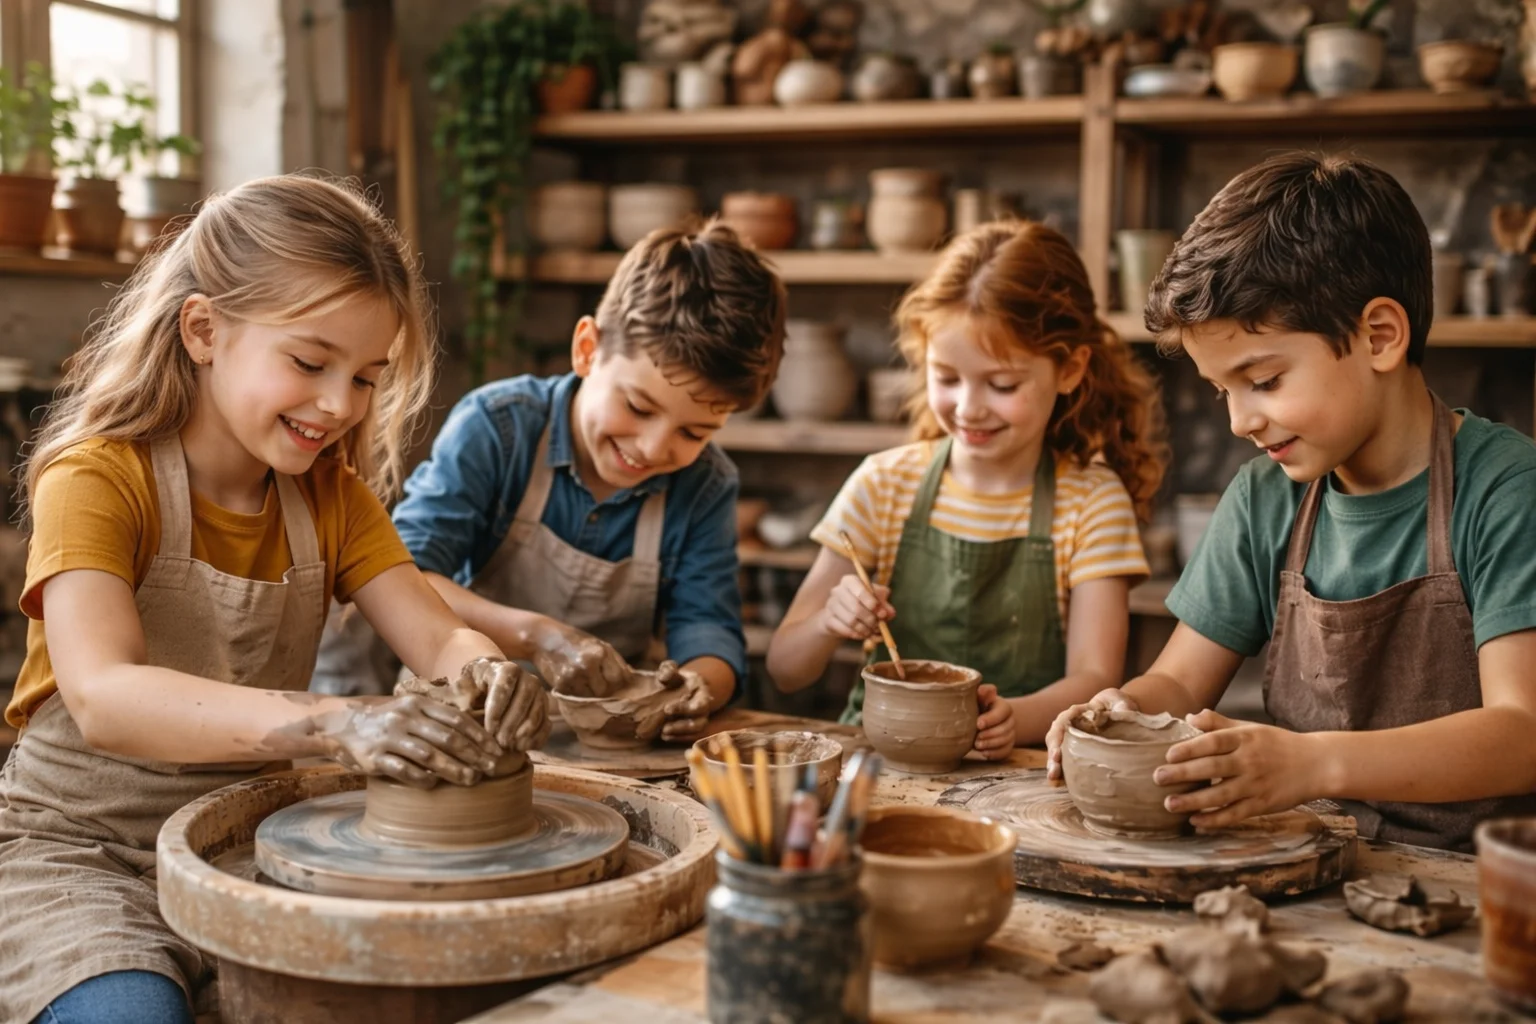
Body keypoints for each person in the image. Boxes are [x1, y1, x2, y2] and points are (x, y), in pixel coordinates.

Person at [0, 175, 548, 1024]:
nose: (339, 404)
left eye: (368, 376)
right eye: (309, 362)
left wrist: (489, 676)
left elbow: (439, 642)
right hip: (79, 856)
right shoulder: (100, 479)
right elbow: (103, 695)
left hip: (245, 845)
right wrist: (338, 722)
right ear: (204, 329)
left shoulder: (333, 499)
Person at [1045, 153, 1536, 851]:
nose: (1240, 421)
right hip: (1309, 856)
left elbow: (1523, 733)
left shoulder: (1506, 490)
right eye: (1224, 392)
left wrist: (1312, 761)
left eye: (1265, 380)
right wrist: (1122, 709)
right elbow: (1180, 681)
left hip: (1478, 877)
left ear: (1379, 336)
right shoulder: (1265, 498)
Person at [372, 220, 787, 741]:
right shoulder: (499, 429)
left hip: (603, 736)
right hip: (461, 717)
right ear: (587, 349)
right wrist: (537, 636)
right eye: (638, 406)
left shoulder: (704, 483)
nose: (653, 447)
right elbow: (402, 581)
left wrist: (696, 687)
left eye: (695, 431)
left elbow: (709, 629)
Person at [768, 221, 1167, 752]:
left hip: (1019, 768)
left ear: (1069, 370)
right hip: (880, 761)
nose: (969, 407)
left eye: (1002, 384)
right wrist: (826, 623)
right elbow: (785, 670)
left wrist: (1015, 718)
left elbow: (1095, 678)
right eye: (947, 378)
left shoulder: (1092, 502)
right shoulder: (882, 486)